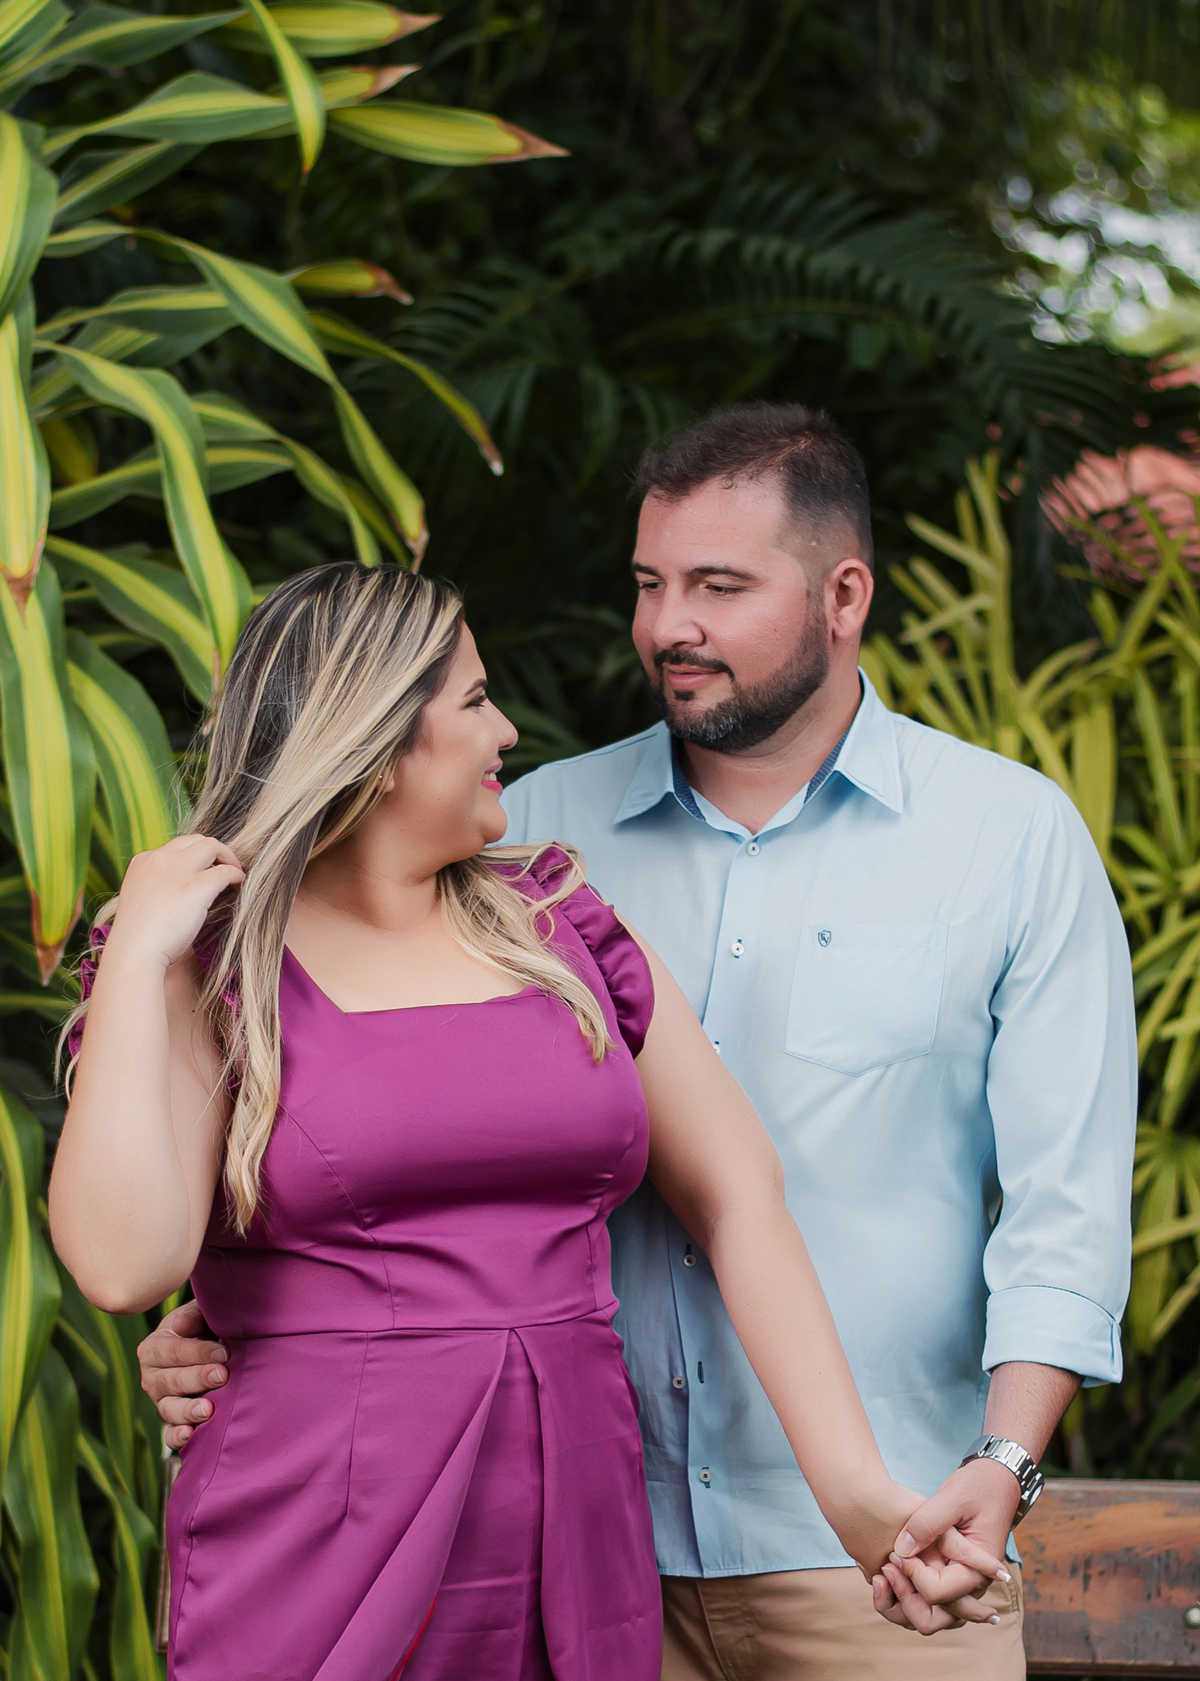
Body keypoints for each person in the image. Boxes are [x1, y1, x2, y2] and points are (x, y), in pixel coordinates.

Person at [137, 404, 1137, 1677]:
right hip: (581, 1532)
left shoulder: (1008, 837)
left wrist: (1002, 1461)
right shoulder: (523, 835)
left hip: (875, 1544)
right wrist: (234, 1311)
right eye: (650, 583)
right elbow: (368, 1123)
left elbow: (1063, 1212)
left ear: (844, 596)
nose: (669, 625)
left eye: (720, 586)